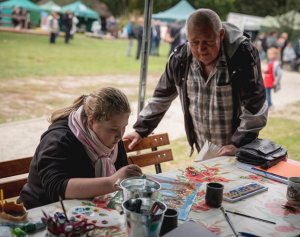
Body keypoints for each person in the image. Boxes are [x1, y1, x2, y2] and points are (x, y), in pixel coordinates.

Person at [124, 9, 267, 159]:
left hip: (236, 152)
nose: (201, 49)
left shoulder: (241, 55)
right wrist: (140, 130)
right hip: (203, 150)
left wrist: (237, 144)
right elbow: (161, 98)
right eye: (194, 42)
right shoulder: (180, 59)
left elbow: (255, 107)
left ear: (221, 35)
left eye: (208, 42)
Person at [18, 87, 142, 209]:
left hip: (84, 210)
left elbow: (121, 177)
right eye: (113, 129)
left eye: (124, 127)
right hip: (40, 211)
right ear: (91, 122)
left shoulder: (113, 138)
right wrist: (111, 182)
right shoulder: (59, 139)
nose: (120, 135)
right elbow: (56, 187)